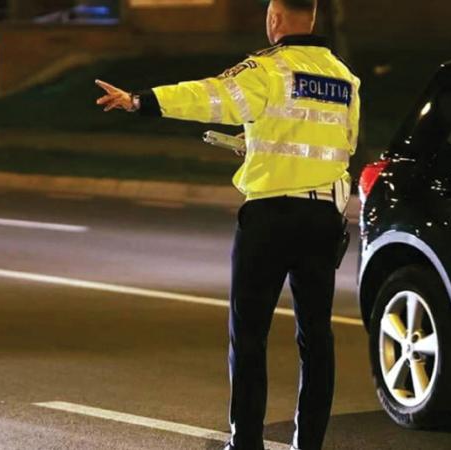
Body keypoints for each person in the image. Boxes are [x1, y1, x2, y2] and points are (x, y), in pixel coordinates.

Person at [95, 1, 360, 448]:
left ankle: (246, 443)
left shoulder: (268, 68)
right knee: (316, 336)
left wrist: (140, 100)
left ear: (275, 18)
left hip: (271, 217)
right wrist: (256, 142)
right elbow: (340, 143)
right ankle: (309, 443)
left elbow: (209, 96)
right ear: (313, 17)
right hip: (323, 219)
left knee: (249, 334)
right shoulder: (344, 78)